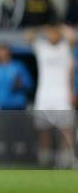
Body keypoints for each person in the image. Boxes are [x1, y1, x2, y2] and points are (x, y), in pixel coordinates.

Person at [26, 25, 75, 168]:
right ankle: (45, 163)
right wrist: (42, 27)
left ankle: (65, 163)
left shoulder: (65, 47)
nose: (52, 35)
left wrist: (60, 28)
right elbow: (28, 36)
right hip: (44, 96)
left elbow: (73, 36)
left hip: (62, 96)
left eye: (55, 33)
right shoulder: (41, 47)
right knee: (44, 132)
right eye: (50, 33)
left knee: (66, 130)